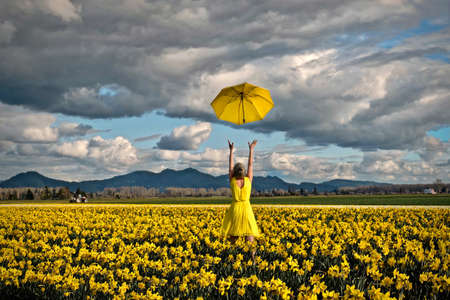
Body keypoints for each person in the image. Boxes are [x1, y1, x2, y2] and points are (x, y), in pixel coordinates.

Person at [221, 139, 260, 260]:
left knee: (233, 235)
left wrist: (231, 151)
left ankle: (229, 257)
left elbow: (230, 166)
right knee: (249, 234)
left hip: (236, 209)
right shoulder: (248, 180)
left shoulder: (232, 181)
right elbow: (250, 165)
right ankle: (252, 258)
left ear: (233, 172)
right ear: (244, 172)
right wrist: (251, 149)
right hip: (246, 208)